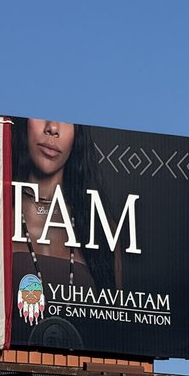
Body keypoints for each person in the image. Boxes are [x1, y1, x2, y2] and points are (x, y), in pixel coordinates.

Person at [11, 118, 118, 340]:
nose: (52, 128)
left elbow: (116, 332)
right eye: (40, 114)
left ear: (78, 135)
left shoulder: (101, 228)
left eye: (66, 120)